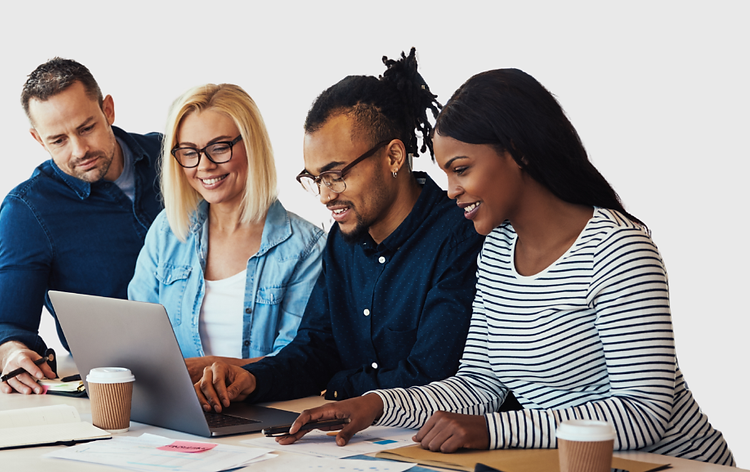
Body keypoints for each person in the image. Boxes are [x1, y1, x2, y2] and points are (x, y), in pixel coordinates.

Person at [277, 69, 735, 465]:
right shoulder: (497, 249)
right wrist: (377, 405)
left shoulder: (617, 250)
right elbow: (480, 382)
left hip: (676, 464)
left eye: (460, 169)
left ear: (517, 152)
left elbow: (644, 413)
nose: (450, 190)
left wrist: (494, 430)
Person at [195, 48, 484, 411]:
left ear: (394, 157)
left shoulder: (459, 237)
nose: (325, 196)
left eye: (335, 176)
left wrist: (339, 384)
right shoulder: (342, 240)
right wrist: (254, 379)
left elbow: (431, 375)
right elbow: (316, 348)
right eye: (315, 179)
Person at [0, 57, 164, 395]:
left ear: (108, 109)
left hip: (226, 367)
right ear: (38, 139)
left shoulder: (175, 157)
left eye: (86, 127)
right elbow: (6, 327)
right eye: (58, 140)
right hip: (121, 388)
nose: (80, 150)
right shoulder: (29, 210)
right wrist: (14, 354)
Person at [128, 84, 326, 381]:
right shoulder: (168, 233)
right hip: (177, 407)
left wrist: (209, 367)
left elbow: (297, 358)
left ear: (251, 144)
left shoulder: (306, 248)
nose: (204, 166)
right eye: (189, 152)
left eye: (219, 148)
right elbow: (135, 333)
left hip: (264, 411)